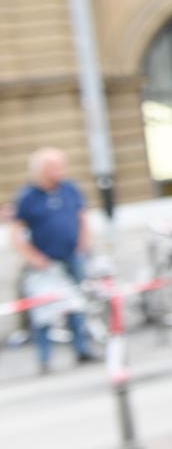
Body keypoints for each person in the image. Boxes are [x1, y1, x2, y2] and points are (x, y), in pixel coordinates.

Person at [11, 149, 95, 375]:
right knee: (43, 312)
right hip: (44, 263)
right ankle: (44, 358)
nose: (60, 171)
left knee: (76, 306)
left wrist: (83, 244)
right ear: (41, 170)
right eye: (54, 167)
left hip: (71, 256)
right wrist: (32, 257)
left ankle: (81, 348)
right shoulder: (28, 196)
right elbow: (16, 231)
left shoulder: (69, 189)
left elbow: (82, 218)